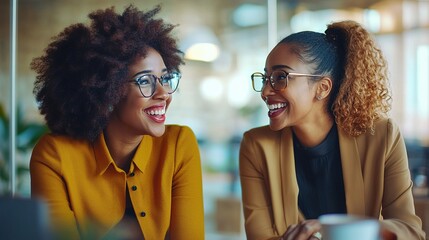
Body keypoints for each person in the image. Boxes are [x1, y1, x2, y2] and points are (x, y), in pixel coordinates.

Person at [29, 5, 204, 240]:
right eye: (145, 80)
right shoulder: (54, 156)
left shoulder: (179, 145)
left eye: (164, 78)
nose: (163, 93)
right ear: (107, 89)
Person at [239, 20, 425, 240]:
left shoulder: (382, 136)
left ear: (323, 87)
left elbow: (411, 232)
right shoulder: (256, 145)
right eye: (265, 79)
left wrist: (340, 230)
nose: (265, 91)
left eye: (281, 77)